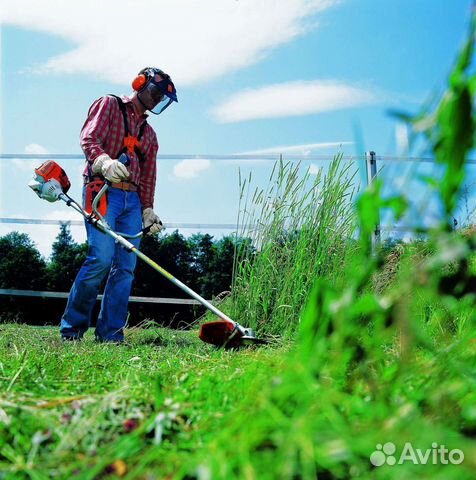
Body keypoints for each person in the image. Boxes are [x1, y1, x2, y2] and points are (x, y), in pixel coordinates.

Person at [60, 67, 178, 343]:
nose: (156, 99)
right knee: (100, 258)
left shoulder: (149, 135)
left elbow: (149, 176)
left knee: (125, 268)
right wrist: (103, 162)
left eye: (162, 99)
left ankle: (111, 334)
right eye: (154, 92)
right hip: (101, 191)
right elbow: (88, 138)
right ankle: (72, 330)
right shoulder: (110, 105)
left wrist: (147, 210)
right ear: (139, 84)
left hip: (132, 201)